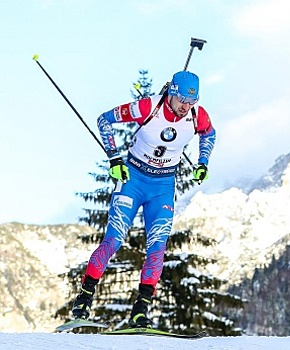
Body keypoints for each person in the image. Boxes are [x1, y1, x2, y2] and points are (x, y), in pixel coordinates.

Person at [71, 71, 216, 328]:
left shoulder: (197, 115)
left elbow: (209, 134)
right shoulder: (147, 106)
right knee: (113, 240)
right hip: (132, 180)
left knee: (157, 247)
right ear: (171, 92)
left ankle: (141, 309)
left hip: (162, 186)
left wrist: (203, 162)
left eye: (191, 101)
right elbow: (104, 120)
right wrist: (114, 159)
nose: (186, 106)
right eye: (182, 98)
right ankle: (84, 298)